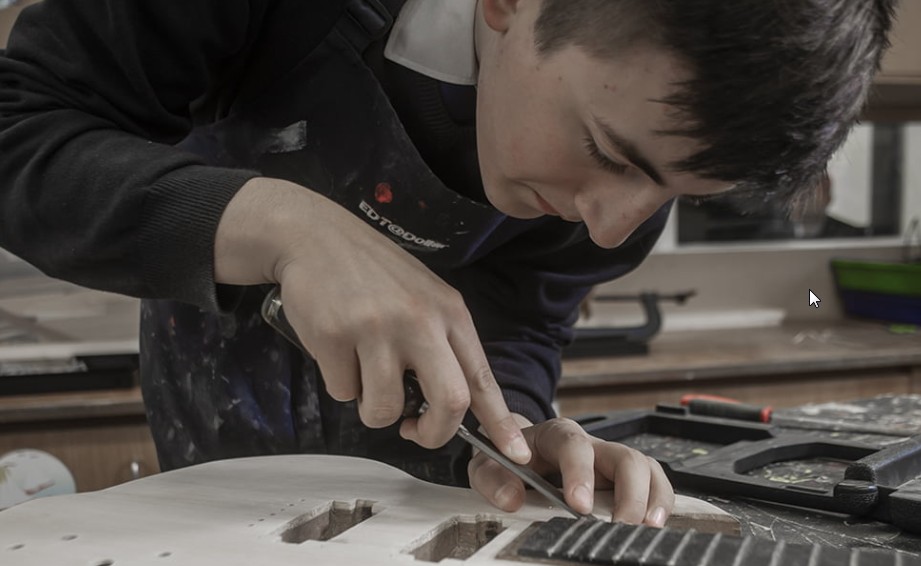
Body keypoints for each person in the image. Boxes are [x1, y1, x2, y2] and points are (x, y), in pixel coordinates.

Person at [0, 0, 893, 526]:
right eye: (607, 152)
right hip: (204, 447)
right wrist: (285, 226)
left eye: (672, 192)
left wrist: (512, 440)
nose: (611, 229)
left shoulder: (608, 194)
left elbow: (518, 319)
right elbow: (19, 128)